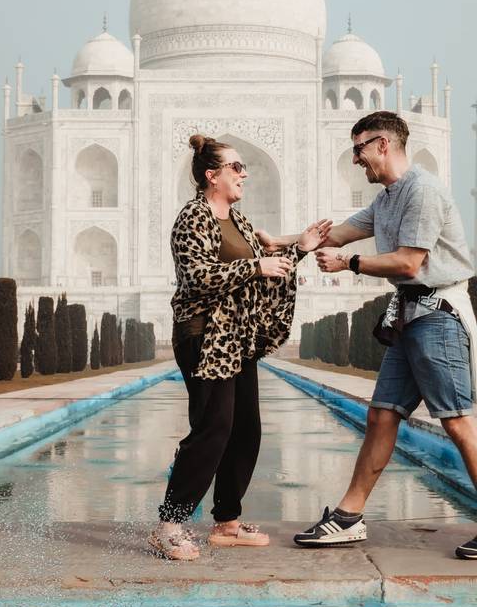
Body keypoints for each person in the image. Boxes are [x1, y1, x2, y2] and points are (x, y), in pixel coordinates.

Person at [259, 111, 477, 560]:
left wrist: (350, 265)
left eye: (358, 149)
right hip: (411, 318)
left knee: (456, 422)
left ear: (382, 144)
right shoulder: (388, 198)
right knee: (381, 415)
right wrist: (279, 243)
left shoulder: (422, 191)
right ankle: (348, 517)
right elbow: (338, 234)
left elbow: (409, 263)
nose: (355, 159)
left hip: (438, 316)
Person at [149, 134, 331, 560]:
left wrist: (298, 250)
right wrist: (256, 264)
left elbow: (264, 270)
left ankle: (227, 521)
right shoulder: (192, 217)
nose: (244, 173)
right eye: (236, 167)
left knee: (246, 428)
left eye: (244, 167)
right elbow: (198, 276)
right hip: (203, 335)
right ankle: (169, 524)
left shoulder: (241, 222)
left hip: (237, 337)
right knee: (213, 428)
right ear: (212, 176)